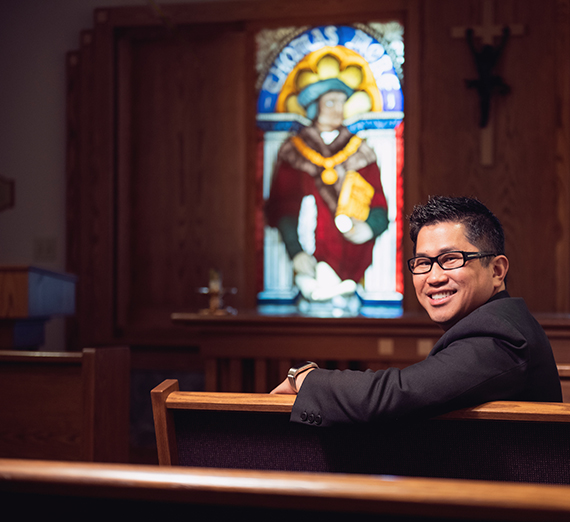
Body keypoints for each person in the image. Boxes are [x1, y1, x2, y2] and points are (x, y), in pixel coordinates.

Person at [271, 195, 563, 426]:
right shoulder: (492, 324)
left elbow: (399, 392)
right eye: (423, 263)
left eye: (451, 259)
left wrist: (307, 378)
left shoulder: (503, 336)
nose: (433, 277)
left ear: (497, 270)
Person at [265, 77, 389, 302]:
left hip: (351, 255)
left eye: (342, 103)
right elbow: (282, 207)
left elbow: (380, 206)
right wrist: (295, 251)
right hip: (308, 256)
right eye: (331, 103)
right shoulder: (295, 153)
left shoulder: (360, 152)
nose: (338, 110)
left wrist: (369, 228)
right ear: (315, 107)